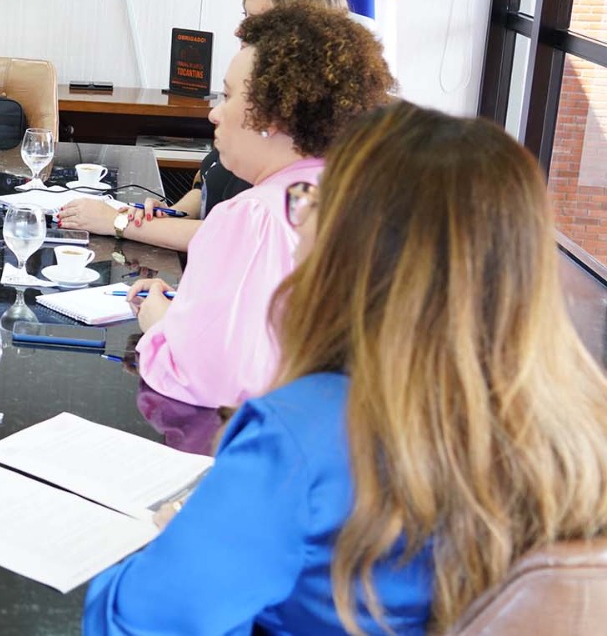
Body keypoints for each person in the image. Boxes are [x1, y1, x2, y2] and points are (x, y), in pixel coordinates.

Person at [85, 102, 607, 634]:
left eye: (314, 196)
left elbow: (131, 622)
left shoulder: (299, 436)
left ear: (353, 241)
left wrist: (183, 534)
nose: (301, 211)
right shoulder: (578, 429)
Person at [125, 4, 393, 408]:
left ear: (274, 115)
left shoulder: (254, 215)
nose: (214, 113)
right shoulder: (354, 191)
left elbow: (205, 378)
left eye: (228, 96)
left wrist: (159, 322)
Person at [58, 0, 348, 251]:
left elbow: (235, 236)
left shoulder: (304, 139)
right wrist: (172, 214)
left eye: (255, 20)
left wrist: (118, 223)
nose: (239, 30)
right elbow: (209, 185)